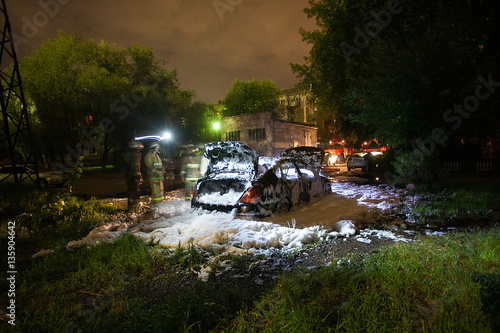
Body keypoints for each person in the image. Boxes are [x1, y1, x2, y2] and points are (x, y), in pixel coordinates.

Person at [144, 141, 165, 217]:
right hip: (153, 176)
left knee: (159, 191)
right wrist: (157, 170)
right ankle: (156, 204)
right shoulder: (150, 156)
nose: (157, 149)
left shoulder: (157, 156)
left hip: (158, 176)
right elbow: (150, 166)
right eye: (156, 148)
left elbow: (159, 165)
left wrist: (162, 171)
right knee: (155, 191)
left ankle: (159, 203)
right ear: (153, 148)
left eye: (158, 148)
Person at [124, 139, 143, 212]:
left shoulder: (129, 153)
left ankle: (132, 207)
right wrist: (139, 178)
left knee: (131, 192)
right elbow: (135, 167)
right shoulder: (134, 155)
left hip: (130, 176)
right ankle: (134, 209)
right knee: (135, 193)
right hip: (134, 177)